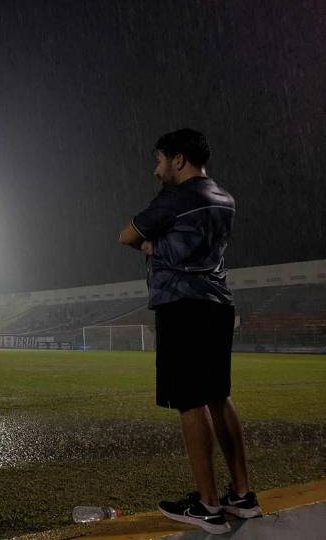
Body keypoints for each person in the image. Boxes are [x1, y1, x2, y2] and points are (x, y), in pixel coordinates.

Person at [118, 128, 262, 534]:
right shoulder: (224, 198)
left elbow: (128, 234)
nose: (156, 168)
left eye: (160, 159)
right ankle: (243, 495)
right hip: (218, 302)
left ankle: (208, 504)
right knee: (218, 396)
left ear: (179, 160)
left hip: (182, 304)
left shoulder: (176, 197)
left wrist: (151, 245)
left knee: (189, 402)